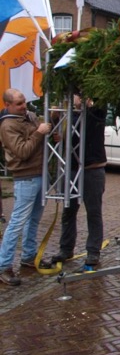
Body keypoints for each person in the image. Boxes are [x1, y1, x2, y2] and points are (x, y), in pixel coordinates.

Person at [0, 89, 52, 286]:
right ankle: (3, 265)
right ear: (8, 105)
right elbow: (22, 151)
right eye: (19, 103)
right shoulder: (7, 125)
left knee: (34, 220)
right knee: (17, 222)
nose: (24, 106)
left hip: (39, 174)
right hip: (26, 177)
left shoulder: (29, 117)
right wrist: (39, 133)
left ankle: (29, 256)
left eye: (24, 102)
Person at [49, 95, 107, 268]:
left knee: (93, 212)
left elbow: (99, 109)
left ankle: (93, 252)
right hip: (72, 169)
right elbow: (58, 134)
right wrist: (54, 122)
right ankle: (66, 249)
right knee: (68, 210)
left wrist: (88, 100)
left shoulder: (95, 113)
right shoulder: (67, 116)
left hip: (93, 169)